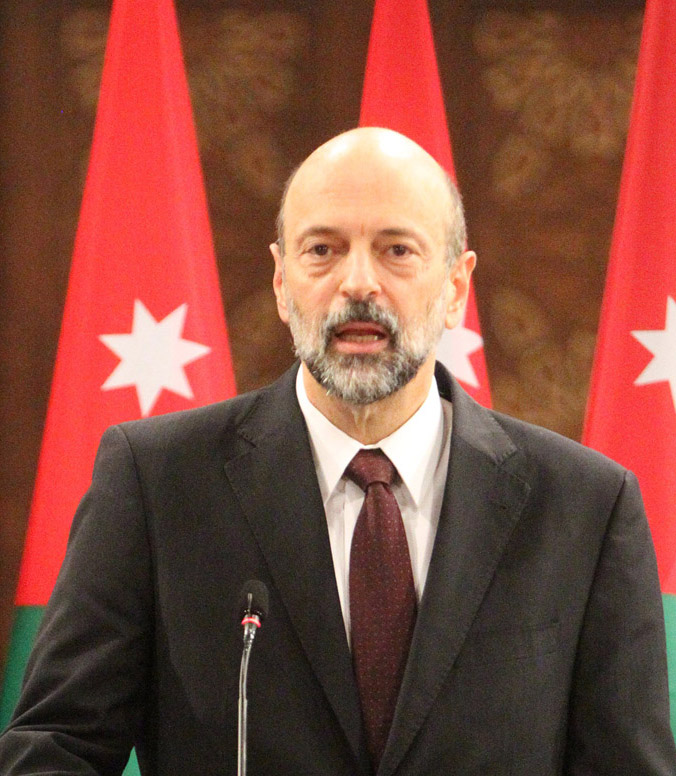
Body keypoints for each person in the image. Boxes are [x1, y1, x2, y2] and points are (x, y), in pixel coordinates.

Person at [0, 127, 674, 776]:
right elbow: (54, 747)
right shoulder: (158, 482)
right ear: (280, 280)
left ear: (455, 287)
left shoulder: (585, 507)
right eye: (322, 249)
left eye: (397, 250)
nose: (358, 283)